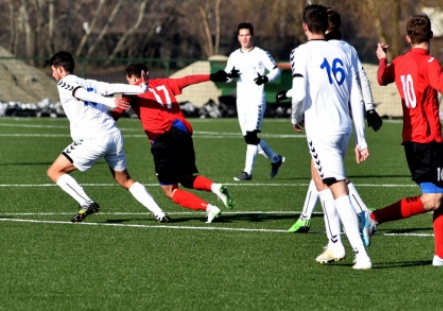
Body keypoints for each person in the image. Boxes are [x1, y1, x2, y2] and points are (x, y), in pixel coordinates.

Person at [361, 14, 443, 267]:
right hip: (427, 141)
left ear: (407, 38)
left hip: (413, 140)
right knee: (433, 200)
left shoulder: (401, 61)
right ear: (432, 36)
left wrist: (382, 59)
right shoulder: (430, 63)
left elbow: (382, 78)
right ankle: (373, 217)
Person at [290, 4, 372, 269]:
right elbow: (356, 96)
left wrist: (295, 116)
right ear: (326, 25)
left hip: (321, 131)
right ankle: (334, 242)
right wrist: (361, 138)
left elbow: (299, 93)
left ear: (305, 26)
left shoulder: (301, 52)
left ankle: (361, 254)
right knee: (320, 178)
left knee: (338, 189)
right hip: (344, 128)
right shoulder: (345, 49)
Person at [46, 51, 170, 223]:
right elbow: (113, 88)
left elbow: (80, 94)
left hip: (94, 138)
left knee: (54, 171)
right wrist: (140, 89)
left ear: (60, 69)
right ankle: (160, 213)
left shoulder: (65, 83)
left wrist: (111, 102)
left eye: (53, 70)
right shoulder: (90, 82)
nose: (52, 75)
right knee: (124, 179)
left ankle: (86, 202)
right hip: (113, 136)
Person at [112, 63, 234, 223]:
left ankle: (210, 208)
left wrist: (104, 123)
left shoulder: (133, 90)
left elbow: (119, 111)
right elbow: (188, 80)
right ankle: (215, 187)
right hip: (182, 132)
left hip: (162, 138)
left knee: (170, 190)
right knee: (186, 178)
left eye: (130, 81)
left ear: (135, 78)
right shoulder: (164, 83)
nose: (130, 85)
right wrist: (212, 76)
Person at [224, 22, 285, 181]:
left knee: (252, 136)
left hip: (256, 100)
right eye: (242, 35)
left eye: (247, 35)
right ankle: (275, 159)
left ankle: (247, 172)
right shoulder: (234, 56)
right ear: (238, 37)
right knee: (250, 139)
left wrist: (266, 78)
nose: (244, 38)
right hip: (241, 101)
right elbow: (226, 77)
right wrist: (231, 75)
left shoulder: (261, 54)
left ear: (252, 36)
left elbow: (276, 70)